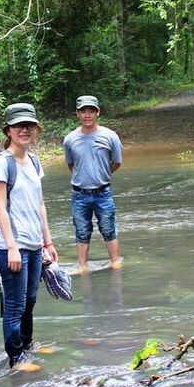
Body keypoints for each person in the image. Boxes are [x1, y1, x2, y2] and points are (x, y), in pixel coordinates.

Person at [0, 103, 58, 371]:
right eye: (18, 126)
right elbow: (0, 207)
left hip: (33, 244)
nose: (24, 130)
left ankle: (27, 345)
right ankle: (15, 358)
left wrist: (48, 242)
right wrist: (12, 247)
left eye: (29, 125)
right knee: (15, 305)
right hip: (11, 247)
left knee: (29, 301)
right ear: (8, 130)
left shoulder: (34, 161)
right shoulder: (1, 163)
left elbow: (40, 204)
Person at [63, 95, 123, 273]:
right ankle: (82, 266)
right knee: (81, 231)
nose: (87, 115)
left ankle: (115, 262)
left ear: (98, 112)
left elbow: (117, 162)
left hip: (103, 192)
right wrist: (85, 177)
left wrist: (101, 175)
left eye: (91, 111)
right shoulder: (70, 139)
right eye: (83, 111)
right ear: (77, 114)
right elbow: (71, 164)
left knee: (108, 228)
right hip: (79, 194)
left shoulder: (110, 136)